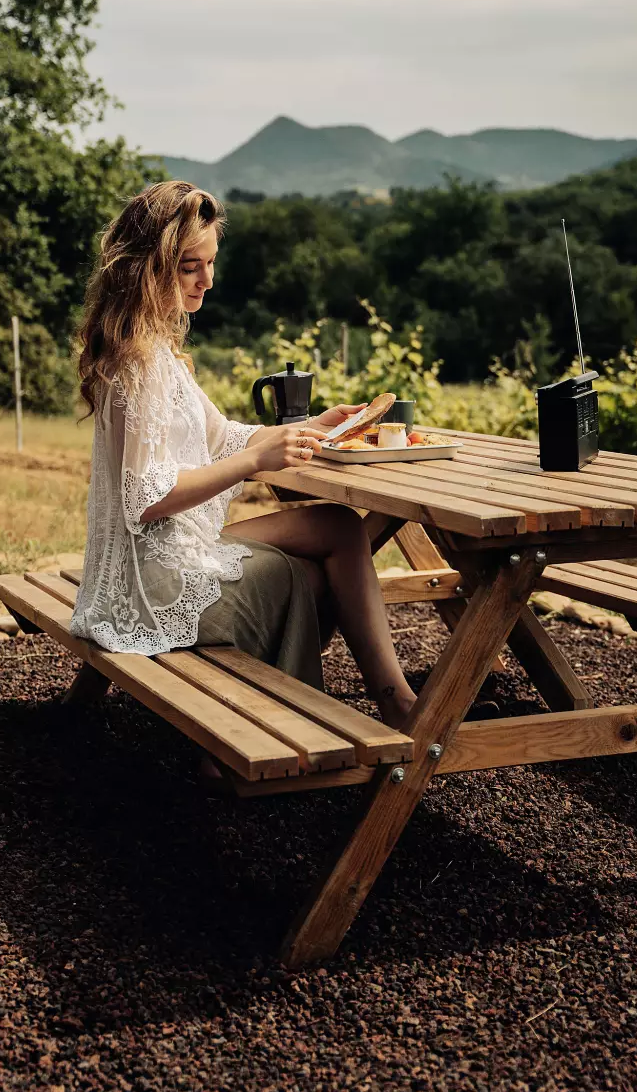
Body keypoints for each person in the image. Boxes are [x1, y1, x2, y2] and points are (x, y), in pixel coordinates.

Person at [70, 180, 418, 730]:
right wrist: (260, 462)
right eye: (190, 266)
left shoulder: (154, 351)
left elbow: (223, 436)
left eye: (210, 262)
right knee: (311, 576)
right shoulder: (138, 365)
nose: (208, 279)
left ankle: (386, 698)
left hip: (161, 557)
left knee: (339, 529)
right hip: (152, 583)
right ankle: (281, 721)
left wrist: (314, 427)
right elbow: (147, 498)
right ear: (147, 267)